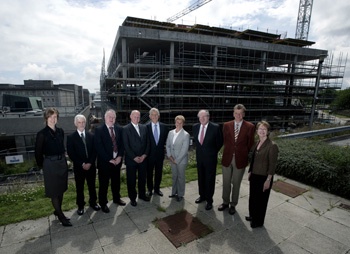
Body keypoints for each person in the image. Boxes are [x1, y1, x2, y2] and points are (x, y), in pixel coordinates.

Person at [35, 108, 72, 227]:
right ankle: (61, 216)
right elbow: (38, 153)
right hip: (50, 164)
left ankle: (57, 211)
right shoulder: (42, 134)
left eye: (55, 117)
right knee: (54, 192)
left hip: (61, 163)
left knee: (61, 189)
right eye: (51, 117)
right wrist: (43, 166)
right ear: (46, 118)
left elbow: (61, 147)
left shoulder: (60, 131)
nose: (53, 119)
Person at [219, 104, 255, 215]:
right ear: (233, 113)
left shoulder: (250, 126)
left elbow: (250, 144)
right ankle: (225, 202)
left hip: (240, 159)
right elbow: (225, 140)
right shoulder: (226, 125)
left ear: (243, 114)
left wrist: (242, 151)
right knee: (226, 182)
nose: (238, 115)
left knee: (236, 183)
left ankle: (233, 204)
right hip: (227, 157)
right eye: (236, 113)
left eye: (240, 113)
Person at [246, 121, 279, 228]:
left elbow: (272, 165)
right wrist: (250, 171)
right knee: (253, 197)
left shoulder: (272, 146)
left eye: (264, 129)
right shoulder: (257, 143)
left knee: (261, 201)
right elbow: (253, 159)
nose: (262, 131)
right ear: (257, 131)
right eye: (260, 129)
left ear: (268, 132)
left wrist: (268, 180)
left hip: (264, 177)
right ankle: (252, 216)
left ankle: (258, 221)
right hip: (255, 175)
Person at [67, 114, 100, 216]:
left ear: (85, 123)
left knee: (92, 186)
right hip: (79, 167)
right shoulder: (71, 137)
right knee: (79, 188)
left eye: (83, 122)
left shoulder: (91, 136)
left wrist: (90, 163)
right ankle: (80, 206)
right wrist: (82, 164)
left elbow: (95, 150)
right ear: (75, 124)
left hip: (91, 167)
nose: (81, 124)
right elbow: (71, 154)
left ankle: (93, 202)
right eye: (79, 122)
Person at [94, 109, 126, 213]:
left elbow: (122, 144)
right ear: (105, 118)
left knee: (116, 182)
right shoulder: (99, 130)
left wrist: (120, 156)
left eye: (113, 117)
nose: (112, 119)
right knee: (104, 184)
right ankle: (103, 203)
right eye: (110, 117)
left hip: (117, 162)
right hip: (105, 163)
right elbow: (99, 147)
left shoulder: (119, 129)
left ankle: (116, 199)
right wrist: (109, 159)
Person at [192, 110, 223, 210]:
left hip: (210, 159)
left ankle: (209, 200)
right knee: (201, 177)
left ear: (208, 117)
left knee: (210, 180)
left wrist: (212, 152)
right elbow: (197, 142)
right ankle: (202, 196)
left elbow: (219, 142)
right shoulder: (195, 127)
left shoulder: (215, 127)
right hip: (200, 158)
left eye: (204, 116)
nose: (202, 118)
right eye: (200, 117)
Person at [123, 110, 150, 206]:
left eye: (138, 117)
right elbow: (126, 146)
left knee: (143, 178)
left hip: (143, 159)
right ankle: (133, 198)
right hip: (131, 160)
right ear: (130, 116)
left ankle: (142, 195)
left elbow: (148, 143)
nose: (137, 118)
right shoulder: (125, 129)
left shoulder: (144, 127)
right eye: (135, 116)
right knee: (131, 180)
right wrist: (134, 157)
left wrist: (144, 155)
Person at [166, 115, 190, 202]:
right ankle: (173, 192)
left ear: (183, 124)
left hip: (181, 161)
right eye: (177, 122)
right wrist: (169, 156)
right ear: (175, 122)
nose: (178, 124)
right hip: (172, 159)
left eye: (181, 123)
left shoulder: (186, 135)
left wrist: (176, 160)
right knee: (174, 176)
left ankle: (180, 194)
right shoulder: (170, 132)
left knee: (180, 177)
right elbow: (168, 145)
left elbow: (184, 150)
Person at [146, 108, 169, 197]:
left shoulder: (164, 127)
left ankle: (157, 189)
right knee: (149, 173)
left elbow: (167, 140)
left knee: (159, 173)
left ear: (158, 116)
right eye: (153, 115)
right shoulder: (146, 127)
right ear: (150, 116)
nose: (154, 116)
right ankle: (149, 189)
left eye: (156, 115)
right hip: (149, 155)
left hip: (160, 155)